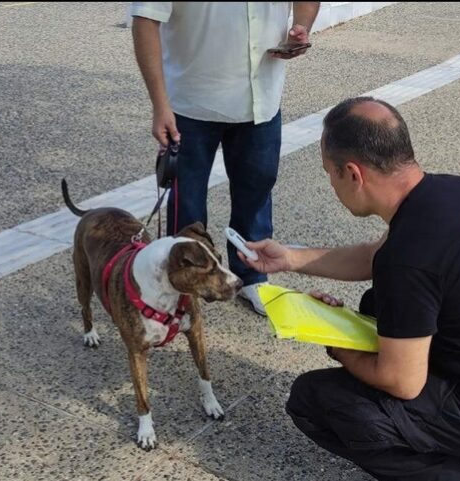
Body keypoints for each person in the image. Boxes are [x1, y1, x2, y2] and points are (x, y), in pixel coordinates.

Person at [239, 97, 460, 481]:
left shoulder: (410, 258)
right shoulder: (452, 191)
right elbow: (375, 256)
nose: (331, 184)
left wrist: (338, 344)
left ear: (353, 173)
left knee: (317, 400)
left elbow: (401, 382)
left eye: (329, 173)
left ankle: (455, 472)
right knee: (377, 303)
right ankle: (451, 439)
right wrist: (290, 258)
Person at [131, 2, 320, 316]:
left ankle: (251, 276)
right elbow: (145, 21)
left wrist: (301, 26)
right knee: (187, 204)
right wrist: (159, 105)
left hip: (262, 99)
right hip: (191, 104)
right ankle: (180, 287)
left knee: (256, 190)